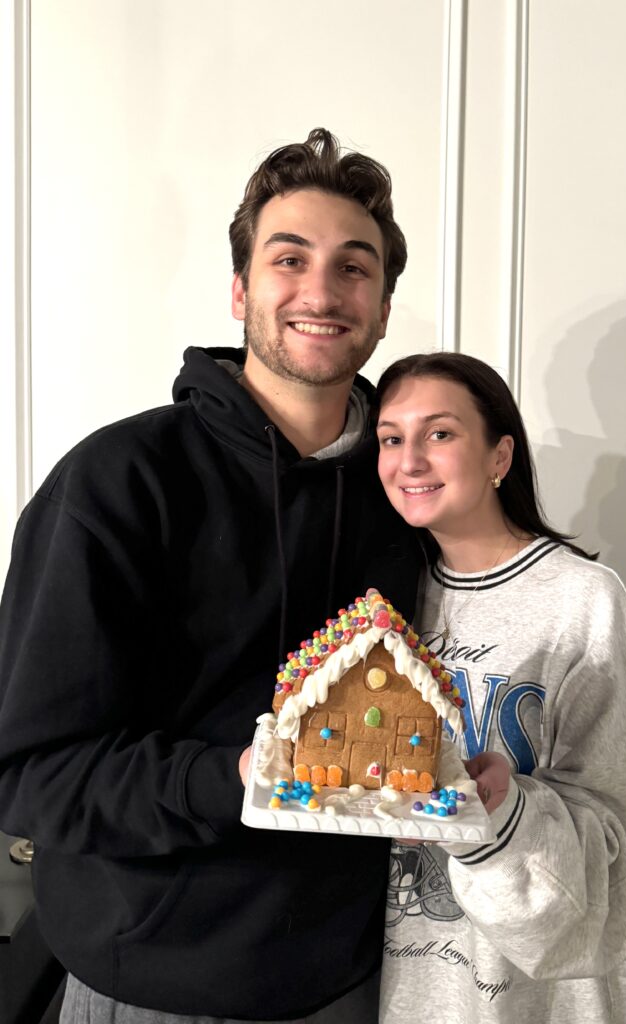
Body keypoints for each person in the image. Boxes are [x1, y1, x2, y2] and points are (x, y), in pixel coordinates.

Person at [0, 129, 422, 1023]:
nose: (321, 290)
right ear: (240, 290)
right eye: (288, 258)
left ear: (384, 308)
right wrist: (243, 775)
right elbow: (31, 772)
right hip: (155, 978)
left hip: (359, 976)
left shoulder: (412, 489)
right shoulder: (117, 481)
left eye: (355, 267)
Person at [373, 351, 626, 1024]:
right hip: (401, 987)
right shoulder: (387, 603)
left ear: (499, 457)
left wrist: (507, 810)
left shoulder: (584, 603)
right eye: (391, 438)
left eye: (440, 433)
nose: (410, 460)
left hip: (539, 997)